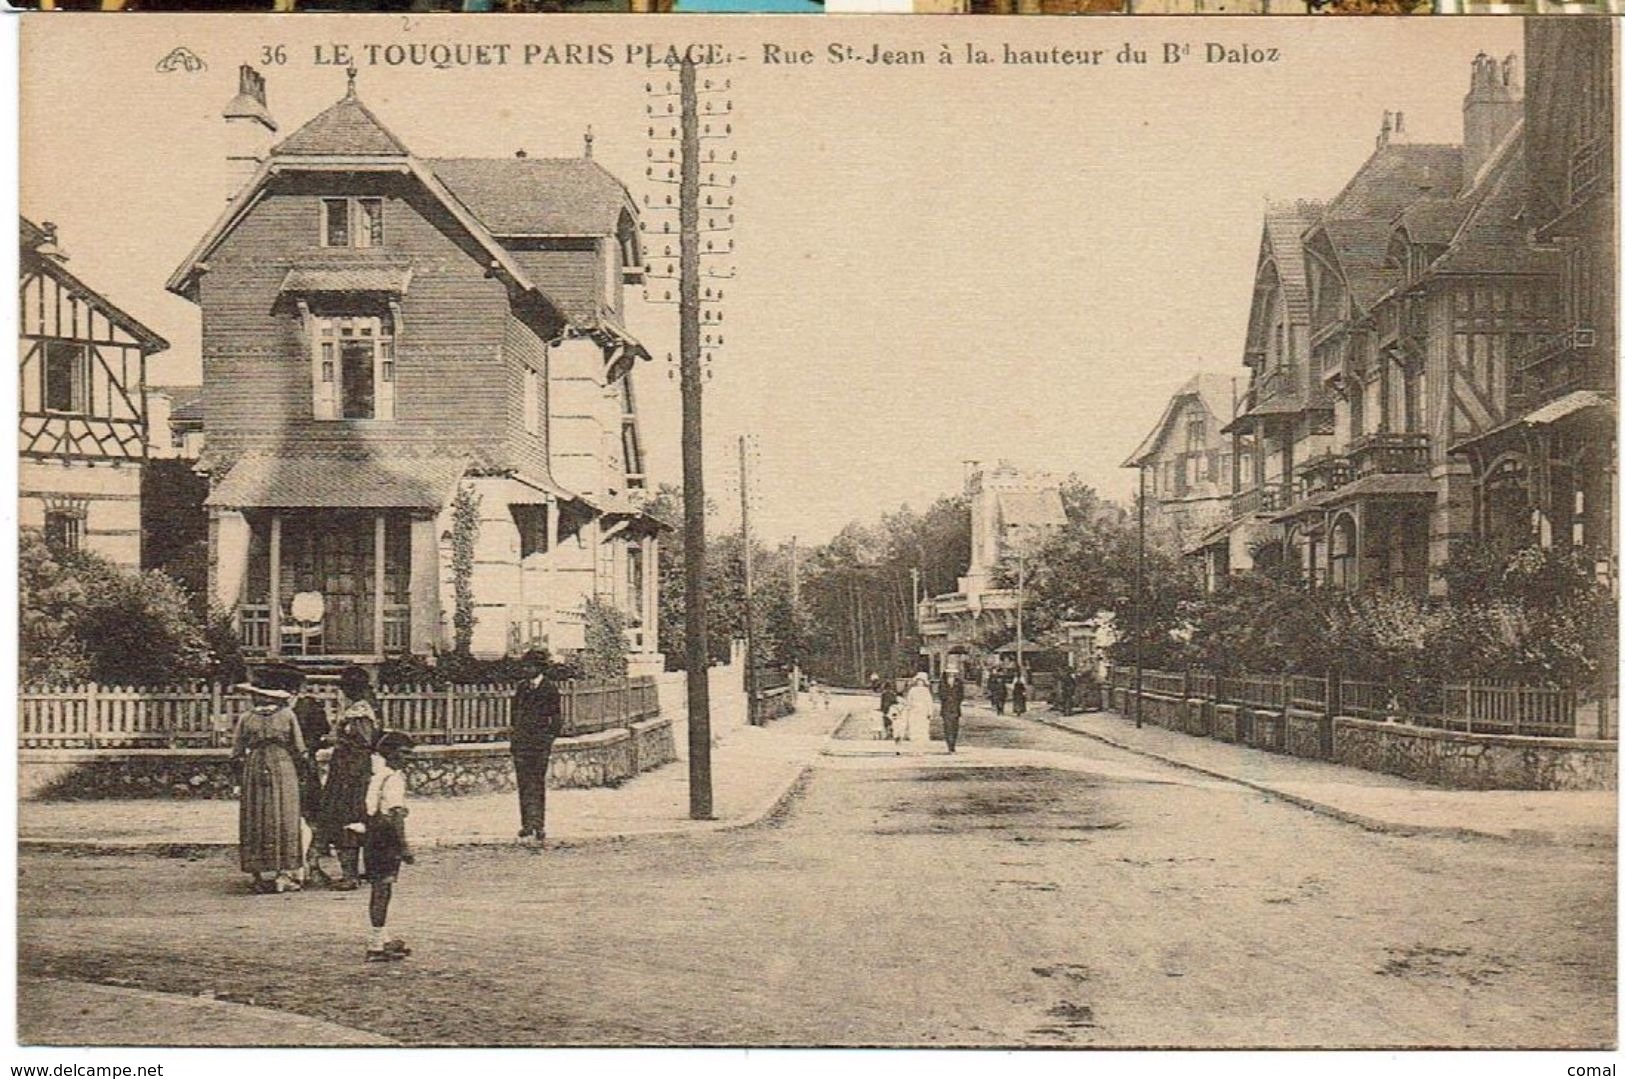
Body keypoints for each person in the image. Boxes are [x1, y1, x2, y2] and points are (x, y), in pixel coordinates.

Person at [232, 667, 308, 894]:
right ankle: (282, 873)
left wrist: (238, 777)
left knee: (256, 815)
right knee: (284, 814)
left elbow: (236, 752)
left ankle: (258, 873)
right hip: (282, 765)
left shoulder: (246, 718)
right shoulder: (287, 715)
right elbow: (300, 748)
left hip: (254, 766)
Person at [314, 665, 379, 890]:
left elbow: (363, 741)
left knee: (347, 819)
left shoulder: (359, 712)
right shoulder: (359, 709)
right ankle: (357, 871)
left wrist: (339, 745)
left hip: (351, 772)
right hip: (348, 769)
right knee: (351, 819)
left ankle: (350, 876)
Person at [355, 730, 416, 962]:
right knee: (382, 889)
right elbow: (395, 815)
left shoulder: (378, 775)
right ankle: (376, 944)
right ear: (390, 753)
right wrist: (404, 846)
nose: (407, 759)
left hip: (373, 833)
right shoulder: (394, 780)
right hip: (386, 837)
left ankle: (382, 937)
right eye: (403, 753)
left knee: (380, 889)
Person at [511, 665, 564, 842]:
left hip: (539, 745)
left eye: (530, 667)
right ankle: (526, 825)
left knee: (537, 783)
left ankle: (539, 825)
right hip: (522, 744)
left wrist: (548, 739)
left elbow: (556, 718)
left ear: (539, 669)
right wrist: (516, 737)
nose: (526, 671)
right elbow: (515, 714)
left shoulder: (549, 689)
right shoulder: (522, 688)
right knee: (524, 784)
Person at [903, 672, 936, 749]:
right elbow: (909, 700)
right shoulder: (912, 690)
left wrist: (930, 711)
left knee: (923, 724)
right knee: (914, 723)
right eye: (918, 681)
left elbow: (929, 701)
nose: (920, 683)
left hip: (923, 710)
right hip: (914, 709)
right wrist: (909, 707)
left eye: (922, 681)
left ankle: (923, 739)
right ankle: (914, 738)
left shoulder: (926, 691)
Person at [940, 670, 965, 753]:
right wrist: (947, 698)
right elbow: (941, 694)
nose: (951, 674)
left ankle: (953, 745)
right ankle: (949, 745)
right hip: (946, 708)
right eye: (949, 672)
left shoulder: (959, 682)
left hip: (955, 708)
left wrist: (956, 701)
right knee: (947, 727)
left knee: (954, 727)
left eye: (953, 673)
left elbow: (961, 695)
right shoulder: (943, 682)